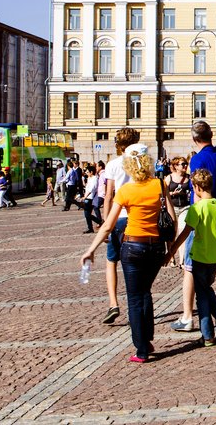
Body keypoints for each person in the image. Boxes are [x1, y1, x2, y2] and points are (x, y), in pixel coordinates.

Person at [81, 143, 175, 363]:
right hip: (155, 247)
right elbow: (171, 218)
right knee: (145, 292)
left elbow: (107, 225)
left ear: (128, 166)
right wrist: (171, 250)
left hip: (132, 246)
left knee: (135, 297)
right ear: (148, 162)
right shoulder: (160, 185)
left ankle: (141, 349)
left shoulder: (125, 191)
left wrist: (91, 250)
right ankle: (147, 338)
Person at [170, 121, 216, 333]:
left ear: (195, 139)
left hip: (202, 217)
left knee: (190, 268)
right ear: (211, 135)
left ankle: (187, 317)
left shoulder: (198, 159)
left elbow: (197, 190)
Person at [164, 168, 216, 347]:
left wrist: (172, 250)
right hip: (215, 257)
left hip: (200, 256)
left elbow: (186, 232)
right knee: (206, 289)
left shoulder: (197, 208)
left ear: (198, 187)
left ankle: (208, 334)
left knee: (202, 296)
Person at [101, 127, 142, 325]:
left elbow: (108, 196)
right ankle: (137, 301)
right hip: (136, 217)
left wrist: (105, 222)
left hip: (117, 217)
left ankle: (113, 303)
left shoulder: (113, 164)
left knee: (112, 261)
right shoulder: (141, 162)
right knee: (134, 262)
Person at [166, 156, 190, 267]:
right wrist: (172, 194)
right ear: (176, 166)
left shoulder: (189, 178)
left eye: (186, 164)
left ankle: (182, 260)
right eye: (182, 164)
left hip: (185, 207)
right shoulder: (169, 178)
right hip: (172, 208)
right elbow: (163, 193)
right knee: (172, 235)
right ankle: (171, 257)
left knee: (182, 232)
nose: (185, 166)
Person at [82, 164, 101, 233]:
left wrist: (85, 196)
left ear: (91, 172)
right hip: (88, 197)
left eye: (87, 172)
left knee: (87, 214)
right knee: (87, 214)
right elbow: (87, 188)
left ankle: (100, 222)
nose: (86, 173)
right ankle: (90, 228)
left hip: (91, 198)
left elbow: (92, 189)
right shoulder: (89, 178)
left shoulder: (95, 178)